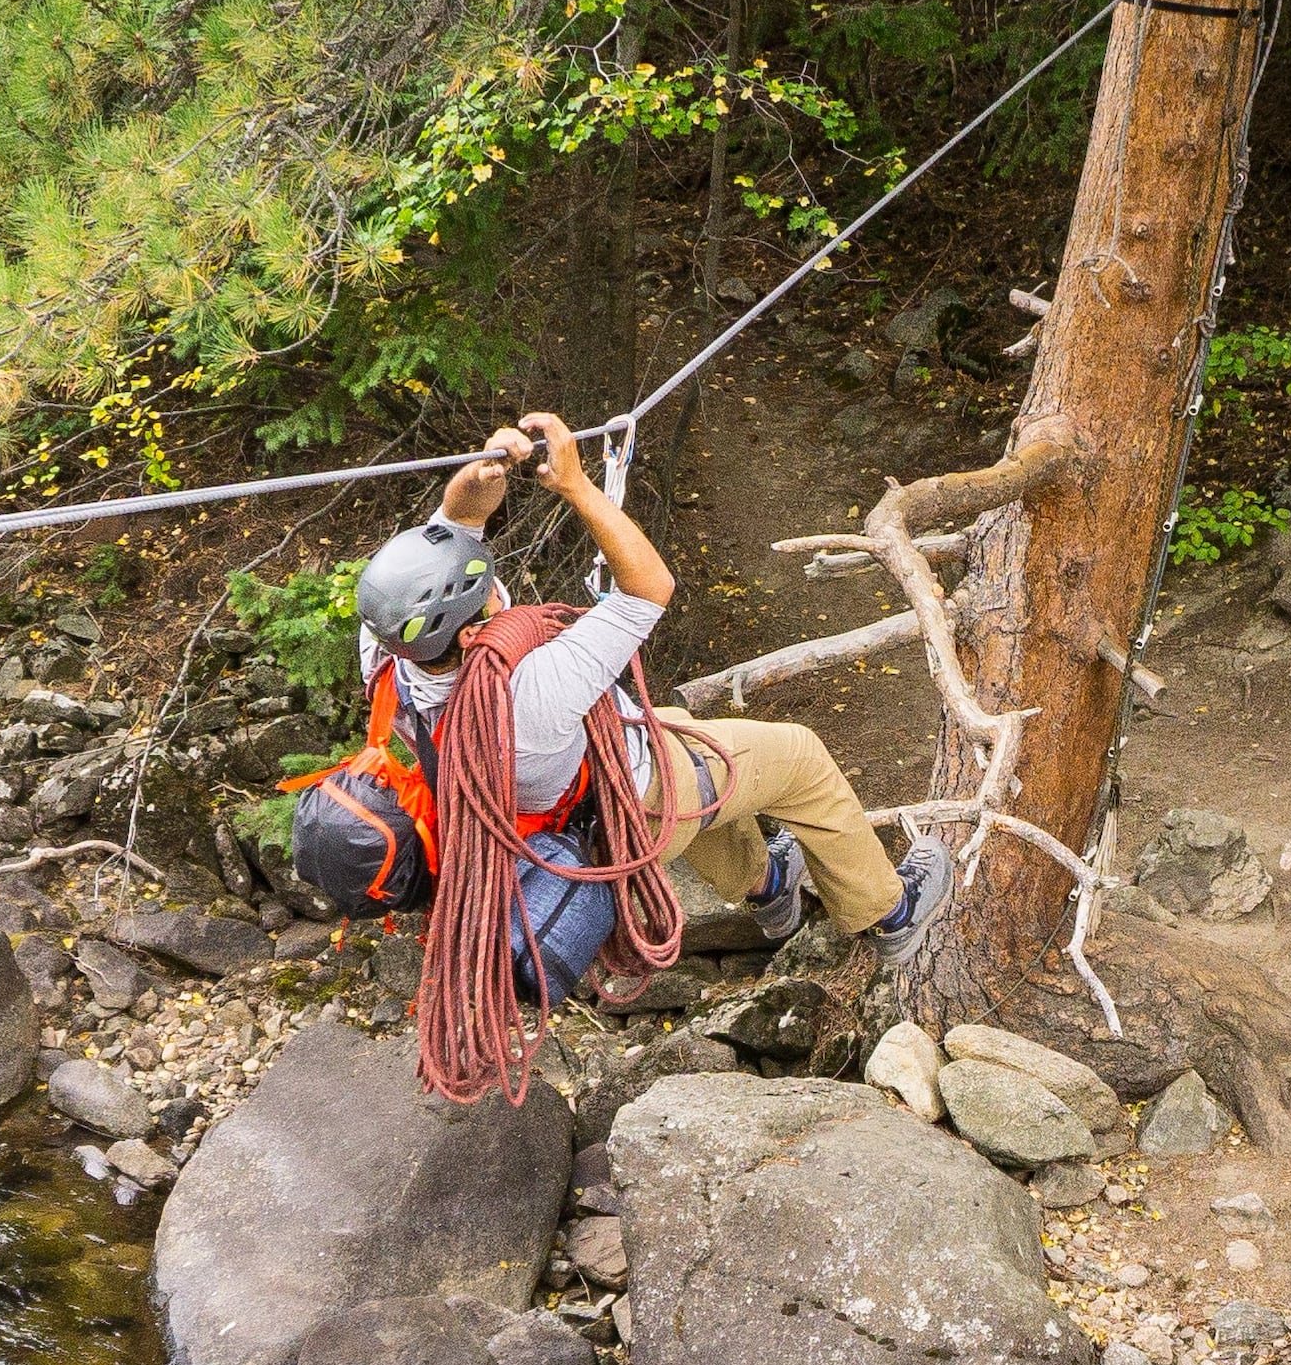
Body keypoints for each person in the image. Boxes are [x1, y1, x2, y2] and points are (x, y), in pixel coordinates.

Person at [288, 412, 942, 982]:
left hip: (592, 797)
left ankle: (768, 886)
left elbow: (457, 519)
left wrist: (484, 473)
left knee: (685, 739)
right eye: (483, 586)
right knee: (797, 759)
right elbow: (648, 586)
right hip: (634, 794)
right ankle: (889, 911)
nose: (493, 585)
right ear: (469, 629)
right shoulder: (529, 695)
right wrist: (575, 485)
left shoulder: (390, 660)